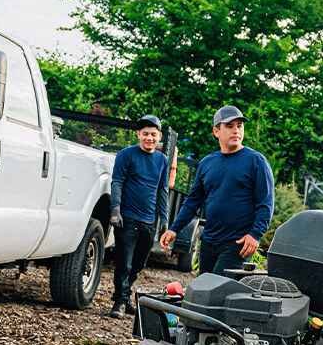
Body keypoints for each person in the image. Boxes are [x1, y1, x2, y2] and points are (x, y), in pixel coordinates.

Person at [160, 105, 274, 276]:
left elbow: (266, 203)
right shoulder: (207, 163)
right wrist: (174, 228)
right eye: (229, 126)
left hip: (238, 244)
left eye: (239, 126)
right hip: (209, 241)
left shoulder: (256, 161)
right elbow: (193, 201)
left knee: (218, 291)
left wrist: (255, 234)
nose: (236, 130)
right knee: (203, 291)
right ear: (216, 131)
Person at [108, 115, 169, 319]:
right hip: (127, 218)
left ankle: (123, 295)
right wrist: (115, 209)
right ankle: (119, 302)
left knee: (139, 263)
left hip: (149, 220)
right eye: (145, 134)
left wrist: (164, 220)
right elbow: (117, 181)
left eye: (153, 134)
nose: (149, 138)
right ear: (138, 134)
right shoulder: (126, 155)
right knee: (124, 262)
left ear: (159, 136)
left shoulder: (162, 160)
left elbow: (162, 190)